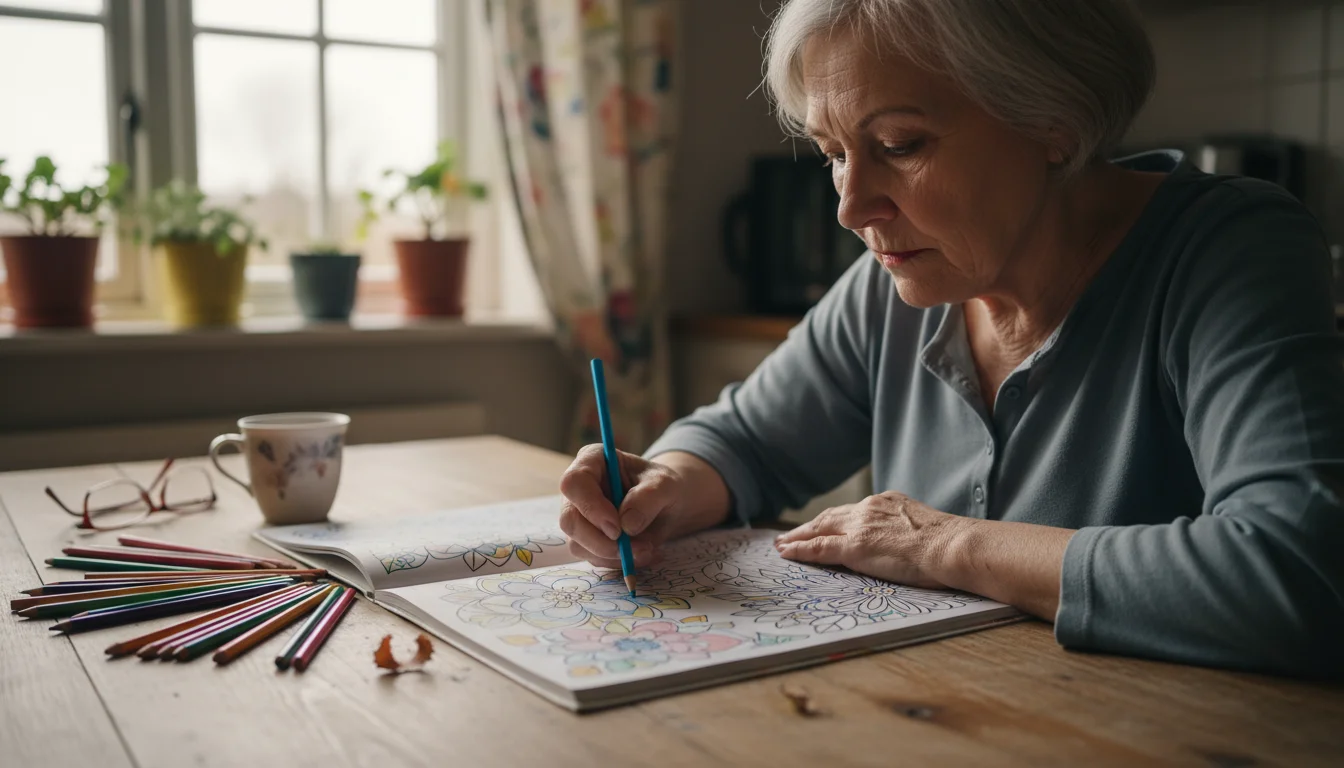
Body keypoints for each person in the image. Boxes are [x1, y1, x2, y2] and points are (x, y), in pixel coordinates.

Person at [557, 0, 1344, 679]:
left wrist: (945, 546)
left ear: (1054, 122)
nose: (852, 207)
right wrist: (663, 483)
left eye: (900, 145)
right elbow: (747, 441)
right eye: (834, 154)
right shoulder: (894, 283)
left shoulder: (1227, 250)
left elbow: (1299, 574)